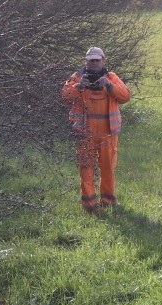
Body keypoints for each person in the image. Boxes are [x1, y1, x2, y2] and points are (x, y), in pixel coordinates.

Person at [61, 47, 131, 214]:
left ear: (103, 61)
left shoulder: (111, 77)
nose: (94, 63)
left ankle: (108, 201)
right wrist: (78, 87)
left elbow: (126, 96)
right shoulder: (77, 77)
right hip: (84, 133)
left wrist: (109, 85)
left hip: (108, 132)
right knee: (86, 168)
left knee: (108, 168)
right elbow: (64, 96)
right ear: (86, 61)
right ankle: (90, 206)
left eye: (97, 60)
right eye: (91, 60)